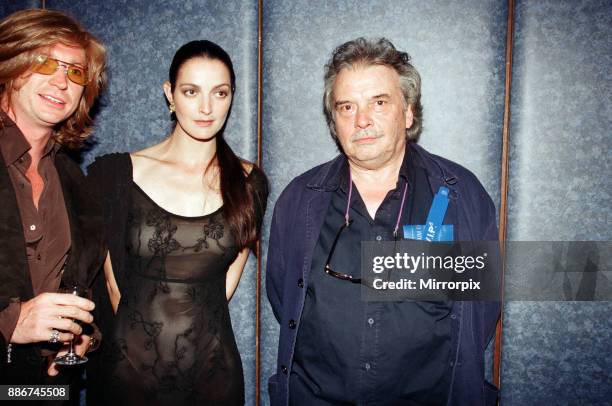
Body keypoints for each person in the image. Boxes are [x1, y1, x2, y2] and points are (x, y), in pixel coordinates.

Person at [266, 37, 500, 405]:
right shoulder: (298, 201)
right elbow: (284, 298)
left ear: (408, 112)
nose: (362, 120)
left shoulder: (461, 196)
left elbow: (480, 313)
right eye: (347, 107)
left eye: (379, 102)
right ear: (334, 122)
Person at [86, 40, 268, 405]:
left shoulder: (250, 183)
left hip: (213, 378)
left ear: (232, 96)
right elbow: (110, 284)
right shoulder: (115, 175)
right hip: (128, 376)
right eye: (191, 91)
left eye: (219, 93)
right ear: (170, 93)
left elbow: (224, 289)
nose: (205, 107)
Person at [0, 8, 107, 391]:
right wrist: (10, 323)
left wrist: (82, 337)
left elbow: (82, 288)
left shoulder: (76, 183)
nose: (61, 81)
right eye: (46, 63)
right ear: (11, 65)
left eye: (75, 72)